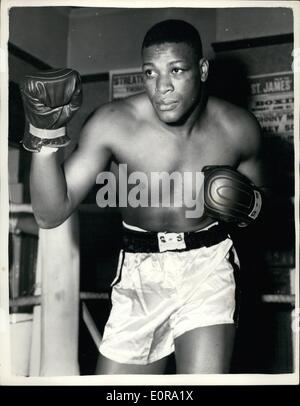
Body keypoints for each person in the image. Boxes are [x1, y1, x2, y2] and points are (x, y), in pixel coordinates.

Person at [20, 19, 265, 374]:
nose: (162, 86)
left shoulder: (238, 128)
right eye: (150, 73)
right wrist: (43, 137)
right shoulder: (114, 124)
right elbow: (50, 214)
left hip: (207, 266)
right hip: (139, 269)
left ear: (202, 69)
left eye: (176, 70)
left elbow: (267, 208)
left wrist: (251, 204)